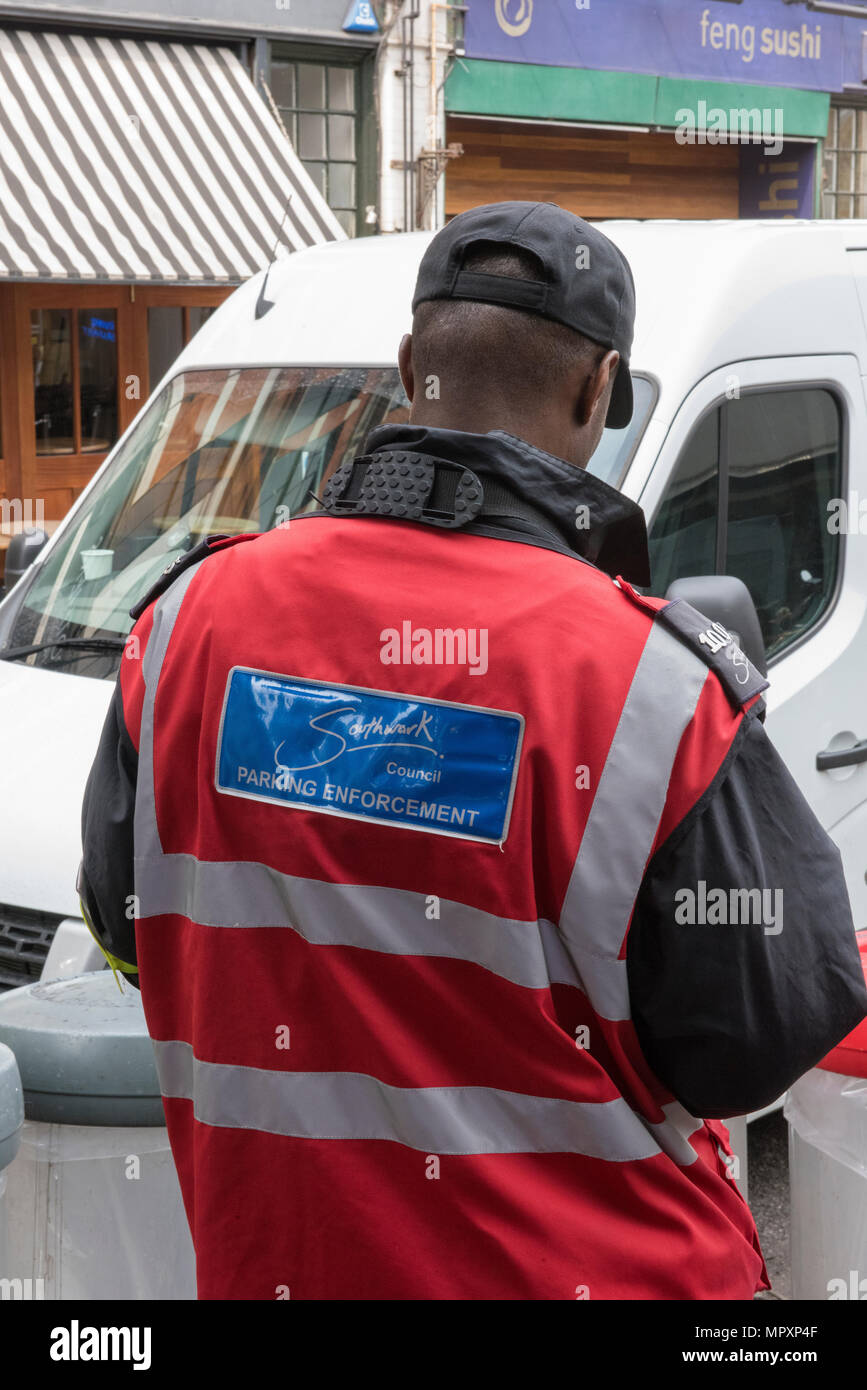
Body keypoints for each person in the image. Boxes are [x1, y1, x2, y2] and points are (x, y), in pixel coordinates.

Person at [79, 201, 867, 1301]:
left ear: (410, 367)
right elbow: (759, 1040)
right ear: (601, 391)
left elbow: (130, 931)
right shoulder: (650, 687)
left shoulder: (183, 633)